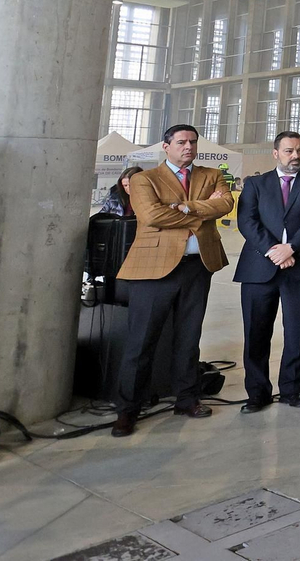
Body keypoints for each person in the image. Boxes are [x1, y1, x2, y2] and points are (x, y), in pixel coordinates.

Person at [110, 125, 235, 437]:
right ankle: (128, 410)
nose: (188, 147)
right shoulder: (144, 179)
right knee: (142, 342)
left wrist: (185, 206)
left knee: (189, 339)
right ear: (165, 147)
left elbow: (225, 205)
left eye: (193, 142)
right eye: (181, 142)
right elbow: (152, 216)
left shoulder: (211, 175)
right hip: (153, 269)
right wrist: (202, 212)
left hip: (197, 266)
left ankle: (187, 399)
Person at [235, 131, 300, 412]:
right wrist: (274, 250)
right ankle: (257, 393)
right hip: (259, 268)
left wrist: (292, 249)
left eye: (299, 150)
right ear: (275, 153)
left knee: (298, 332)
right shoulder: (255, 184)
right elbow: (247, 221)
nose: (295, 156)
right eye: (289, 151)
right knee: (256, 332)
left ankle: (291, 389)